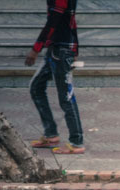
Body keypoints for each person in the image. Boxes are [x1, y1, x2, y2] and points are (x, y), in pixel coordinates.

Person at [25, 0, 84, 155]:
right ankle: (51, 134)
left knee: (66, 97)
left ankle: (76, 142)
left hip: (61, 52)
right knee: (36, 87)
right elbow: (71, 22)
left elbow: (53, 22)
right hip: (57, 49)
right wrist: (75, 49)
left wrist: (35, 49)